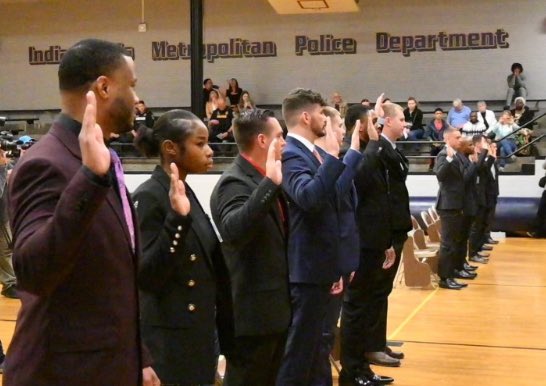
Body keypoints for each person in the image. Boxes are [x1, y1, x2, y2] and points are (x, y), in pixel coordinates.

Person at [5, 38, 159, 386]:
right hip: (64, 373)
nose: (136, 99)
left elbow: (112, 278)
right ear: (104, 87)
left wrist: (138, 356)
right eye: (131, 86)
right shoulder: (46, 162)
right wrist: (89, 178)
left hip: (108, 365)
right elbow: (32, 272)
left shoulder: (101, 158)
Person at [132, 109, 233, 386]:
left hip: (197, 335)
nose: (210, 151)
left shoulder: (184, 191)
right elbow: (148, 275)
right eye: (200, 144)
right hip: (168, 341)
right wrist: (176, 219)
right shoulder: (150, 196)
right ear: (171, 148)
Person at [275, 88, 361, 386]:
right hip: (307, 268)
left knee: (316, 350)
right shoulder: (290, 154)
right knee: (299, 355)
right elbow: (307, 198)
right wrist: (334, 161)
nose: (327, 119)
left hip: (321, 266)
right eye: (322, 113)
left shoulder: (310, 152)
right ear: (305, 116)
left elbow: (332, 202)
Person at [210, 109, 290, 386]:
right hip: (252, 315)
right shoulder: (234, 182)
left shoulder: (264, 177)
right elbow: (233, 230)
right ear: (262, 141)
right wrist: (269, 184)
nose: (285, 143)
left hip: (273, 309)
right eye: (279, 136)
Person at [340, 102, 412, 386]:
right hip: (361, 243)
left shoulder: (374, 152)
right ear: (361, 127)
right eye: (374, 122)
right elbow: (359, 180)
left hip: (376, 240)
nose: (378, 127)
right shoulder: (352, 153)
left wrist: (387, 242)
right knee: (357, 308)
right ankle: (352, 370)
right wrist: (374, 141)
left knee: (368, 303)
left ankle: (362, 367)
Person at [434, 128, 475, 290]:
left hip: (457, 204)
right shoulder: (444, 155)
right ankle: (445, 278)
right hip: (448, 205)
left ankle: (453, 271)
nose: (460, 140)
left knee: (455, 242)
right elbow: (440, 175)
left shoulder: (457, 155)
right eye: (457, 137)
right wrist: (449, 159)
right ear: (448, 139)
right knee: (447, 244)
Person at [469, 135, 497, 261]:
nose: (486, 144)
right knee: (475, 227)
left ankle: (478, 249)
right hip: (475, 197)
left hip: (483, 195)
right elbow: (480, 169)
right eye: (484, 142)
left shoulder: (482, 156)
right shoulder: (472, 154)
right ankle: (473, 253)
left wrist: (491, 156)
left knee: (480, 225)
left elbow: (484, 170)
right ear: (477, 144)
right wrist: (488, 154)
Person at [0, 149, 17, 299]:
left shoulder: (7, 166)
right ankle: (10, 283)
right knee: (5, 250)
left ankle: (11, 282)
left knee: (7, 249)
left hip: (4, 214)